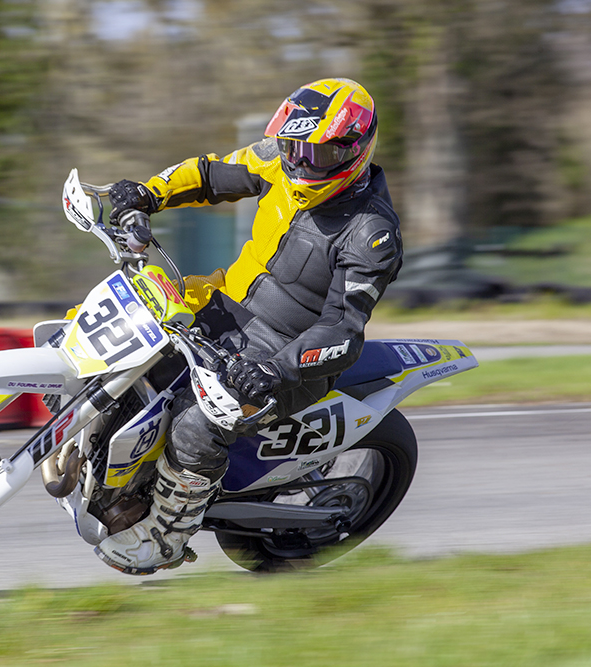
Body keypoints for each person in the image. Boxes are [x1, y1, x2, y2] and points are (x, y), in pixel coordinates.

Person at [93, 77, 404, 575]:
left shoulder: (372, 234)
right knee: (122, 320)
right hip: (223, 304)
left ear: (355, 150)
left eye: (318, 154)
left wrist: (276, 370)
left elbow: (342, 333)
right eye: (293, 147)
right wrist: (146, 193)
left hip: (284, 355)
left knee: (196, 426)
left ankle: (166, 533)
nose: (301, 163)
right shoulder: (281, 162)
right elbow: (211, 174)